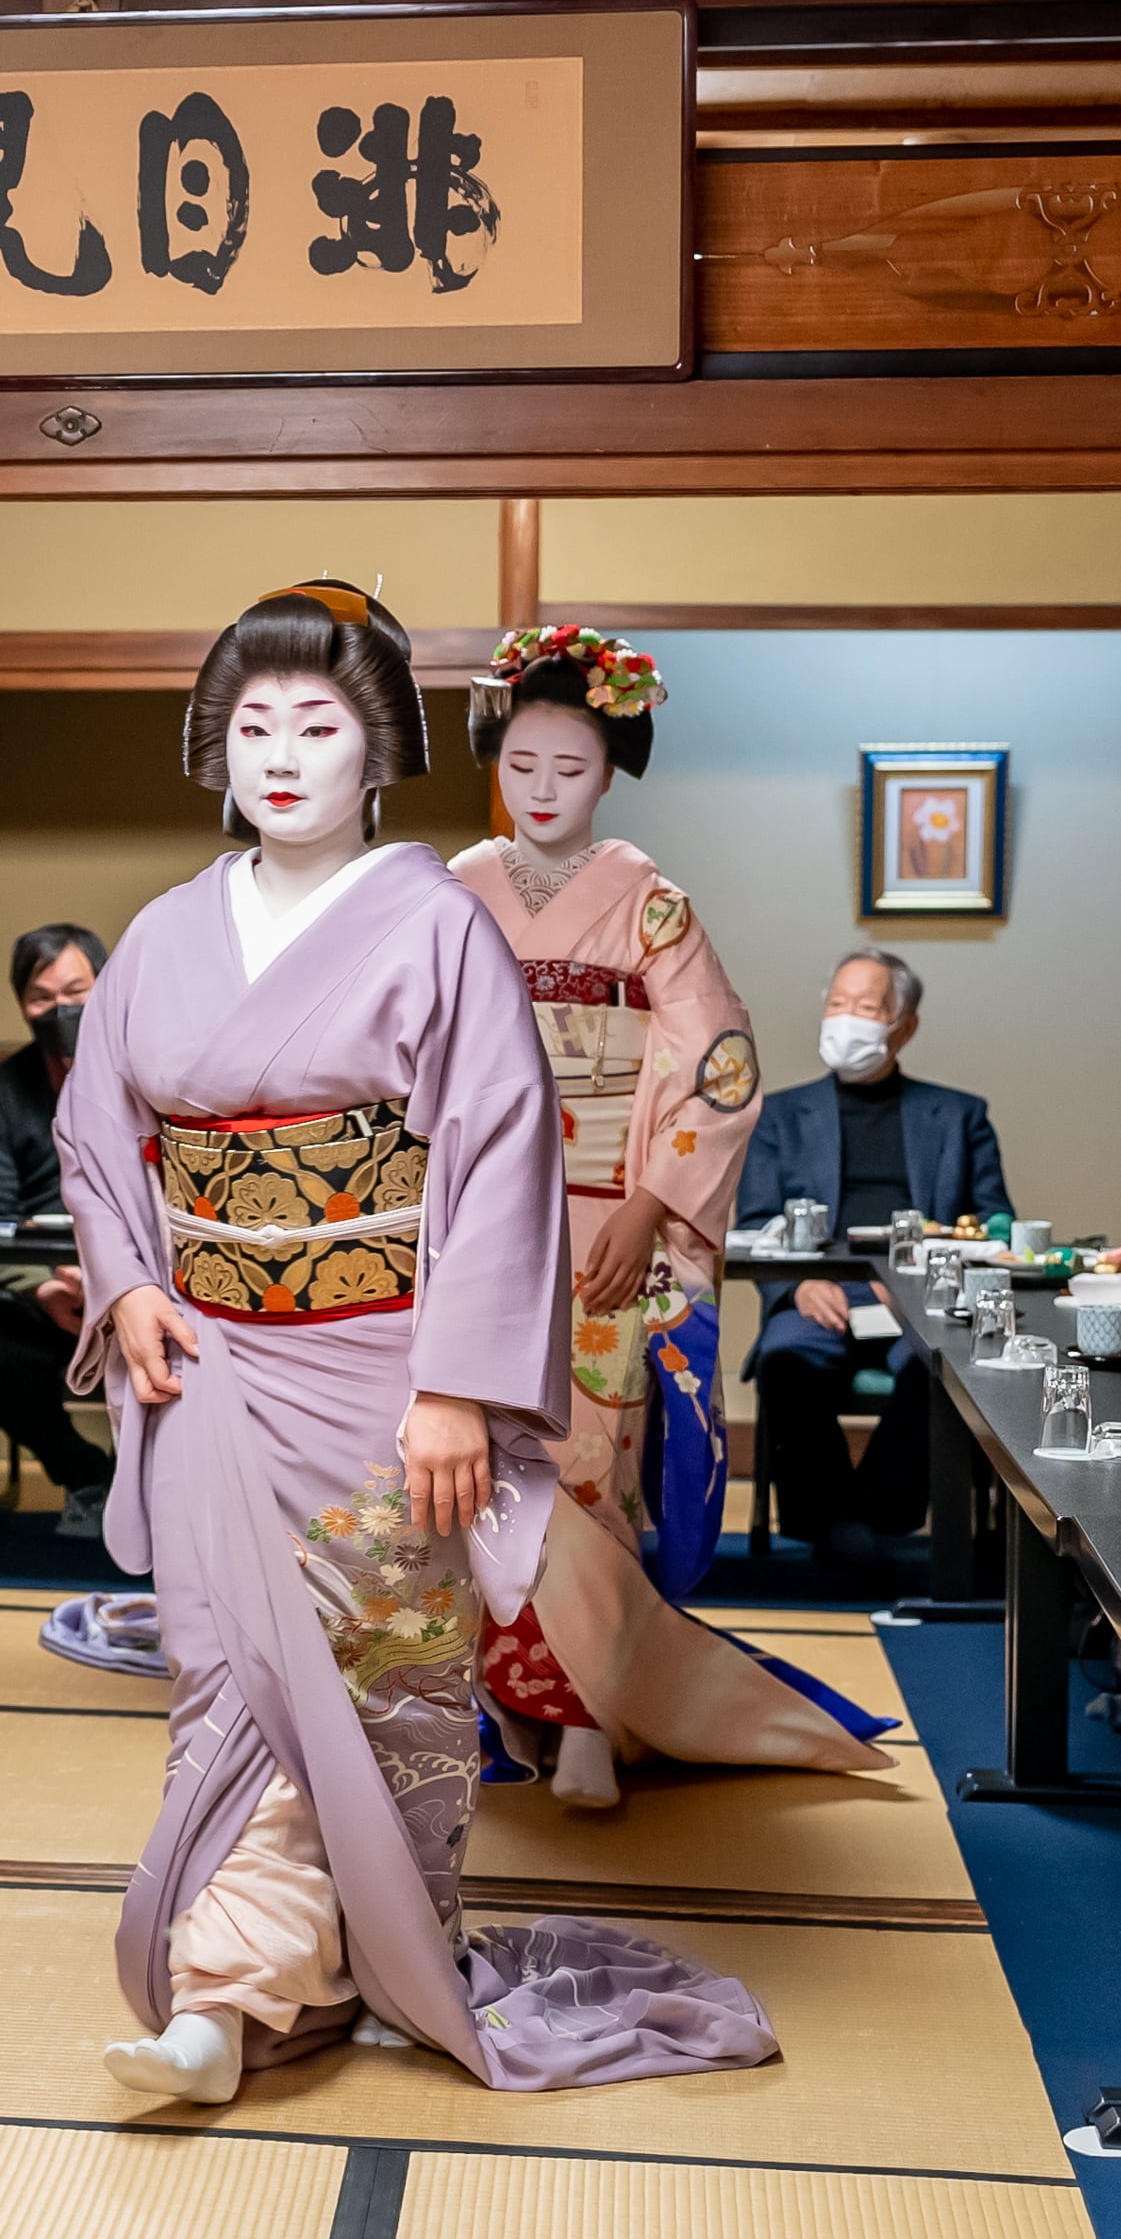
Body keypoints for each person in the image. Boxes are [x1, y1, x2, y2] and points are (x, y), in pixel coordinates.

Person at [59, 579, 775, 2107]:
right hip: (213, 1374)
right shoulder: (167, 933)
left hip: (386, 1377)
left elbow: (502, 1158)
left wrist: (458, 1387)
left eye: (318, 726)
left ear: (379, 746)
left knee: (385, 1687)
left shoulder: (436, 927)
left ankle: (345, 1971)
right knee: (227, 1690)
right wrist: (126, 1290)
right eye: (255, 725)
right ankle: (225, 1994)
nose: (281, 756)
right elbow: (94, 1132)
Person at [446, 625, 888, 1805]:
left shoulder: (650, 905)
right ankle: (504, 1704)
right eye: (522, 764)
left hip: (605, 1219)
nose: (542, 789)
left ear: (610, 773)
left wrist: (649, 1206)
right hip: (479, 1218)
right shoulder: (453, 889)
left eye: (570, 768)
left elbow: (721, 1065)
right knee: (476, 1463)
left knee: (592, 1465)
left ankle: (593, 1713)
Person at [733, 949, 1011, 1583]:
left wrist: (918, 1284)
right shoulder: (779, 1116)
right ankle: (838, 1524)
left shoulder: (959, 1116)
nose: (846, 1018)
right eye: (837, 1004)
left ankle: (862, 1518)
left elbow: (994, 1225)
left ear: (904, 1026)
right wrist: (798, 1286)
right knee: (785, 1360)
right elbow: (755, 1223)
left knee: (939, 1368)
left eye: (866, 1007)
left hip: (917, 1300)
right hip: (816, 1295)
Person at [0, 921, 116, 1536]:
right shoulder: (2, 1092)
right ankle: (89, 1476)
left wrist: (115, 1280)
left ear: (106, 986)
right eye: (42, 998)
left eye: (76, 992)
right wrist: (45, 1288)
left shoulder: (145, 1076)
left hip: (139, 1280)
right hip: (46, 1284)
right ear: (22, 1006)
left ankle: (164, 1494)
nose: (60, 1010)